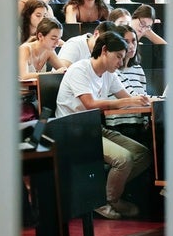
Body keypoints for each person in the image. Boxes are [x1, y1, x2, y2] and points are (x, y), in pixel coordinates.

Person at [56, 30, 152, 219]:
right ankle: (107, 200)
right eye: (118, 57)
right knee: (123, 159)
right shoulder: (79, 69)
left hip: (93, 128)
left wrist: (146, 100)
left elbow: (127, 98)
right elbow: (90, 103)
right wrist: (126, 102)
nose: (120, 63)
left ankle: (103, 194)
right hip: (72, 131)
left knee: (143, 155)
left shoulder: (109, 73)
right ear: (105, 50)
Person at [104, 25, 152, 146]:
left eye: (134, 41)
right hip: (119, 125)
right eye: (126, 42)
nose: (131, 46)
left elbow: (143, 96)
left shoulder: (138, 69)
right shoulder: (111, 69)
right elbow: (132, 96)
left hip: (139, 123)